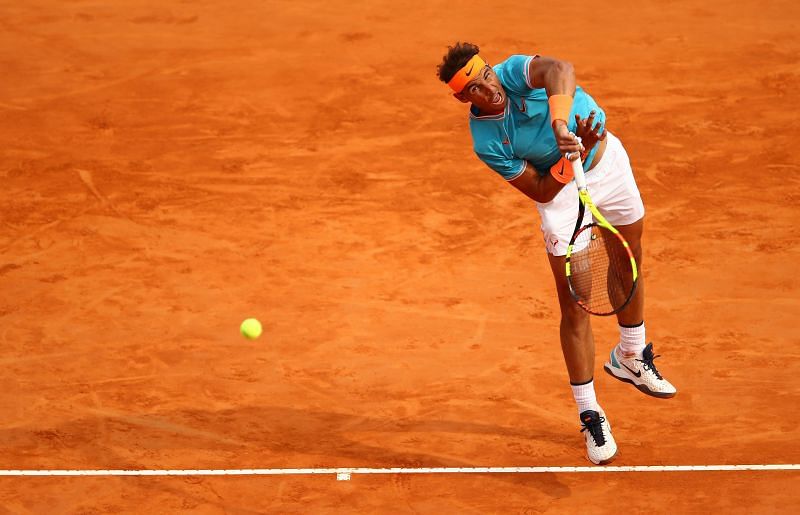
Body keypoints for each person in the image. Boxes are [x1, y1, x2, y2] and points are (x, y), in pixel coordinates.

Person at [436, 42, 676, 465]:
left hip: (608, 164)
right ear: (462, 99)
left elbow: (560, 68)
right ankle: (590, 412)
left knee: (629, 254)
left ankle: (631, 356)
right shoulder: (487, 141)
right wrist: (568, 160)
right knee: (577, 302)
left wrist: (563, 128)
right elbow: (542, 190)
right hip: (561, 196)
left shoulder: (513, 72)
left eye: (485, 75)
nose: (487, 88)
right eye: (473, 88)